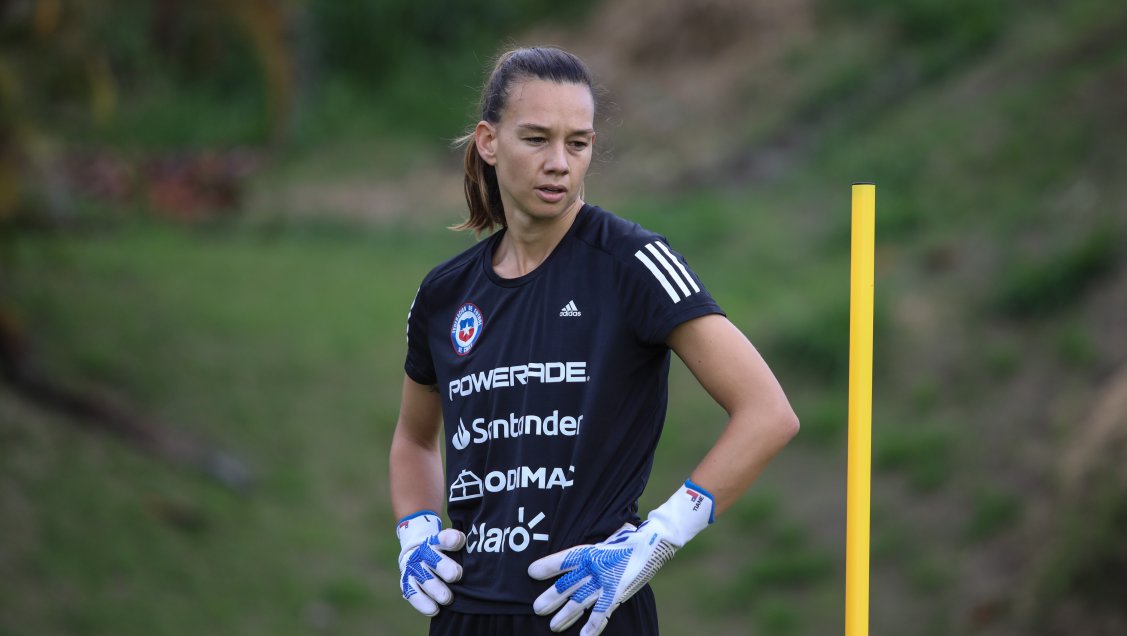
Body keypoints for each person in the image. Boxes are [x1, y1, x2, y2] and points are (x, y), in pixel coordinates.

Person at [390, 46, 799, 636]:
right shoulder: (444, 293)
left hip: (590, 613)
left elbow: (768, 413)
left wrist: (655, 541)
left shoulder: (632, 262)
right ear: (488, 141)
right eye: (536, 139)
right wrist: (415, 531)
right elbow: (413, 438)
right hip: (466, 616)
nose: (559, 162)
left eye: (577, 143)